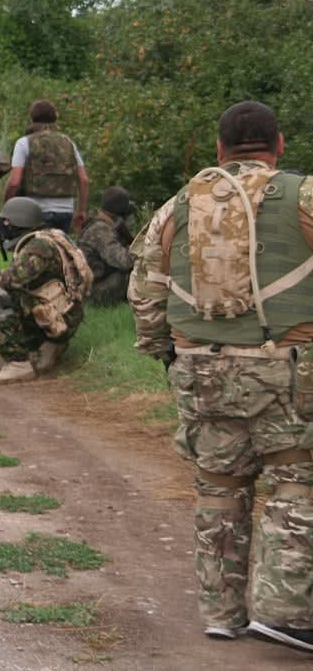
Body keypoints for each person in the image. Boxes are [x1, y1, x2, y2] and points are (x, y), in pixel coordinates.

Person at [128, 100, 313, 653]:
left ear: (219, 149)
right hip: (287, 367)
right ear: (279, 145)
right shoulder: (303, 193)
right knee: (296, 480)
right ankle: (285, 612)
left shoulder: (178, 205)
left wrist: (164, 352)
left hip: (198, 367)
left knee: (220, 483)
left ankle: (222, 610)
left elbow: (145, 291)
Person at [0, 196, 92, 383]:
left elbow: (11, 278)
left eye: (6, 221)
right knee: (20, 293)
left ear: (17, 222)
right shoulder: (53, 236)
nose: (3, 226)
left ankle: (18, 363)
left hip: (58, 318)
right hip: (68, 314)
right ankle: (50, 345)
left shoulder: (37, 247)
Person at [3, 99, 89, 234]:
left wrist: (7, 208)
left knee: (31, 253)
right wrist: (81, 210)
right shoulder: (69, 143)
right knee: (62, 252)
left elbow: (14, 183)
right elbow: (83, 180)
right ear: (55, 119)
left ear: (32, 119)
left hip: (34, 212)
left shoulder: (24, 142)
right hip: (66, 211)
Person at [78, 185, 135, 306]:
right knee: (136, 274)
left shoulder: (99, 224)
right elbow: (126, 262)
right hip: (92, 293)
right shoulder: (101, 230)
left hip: (93, 286)